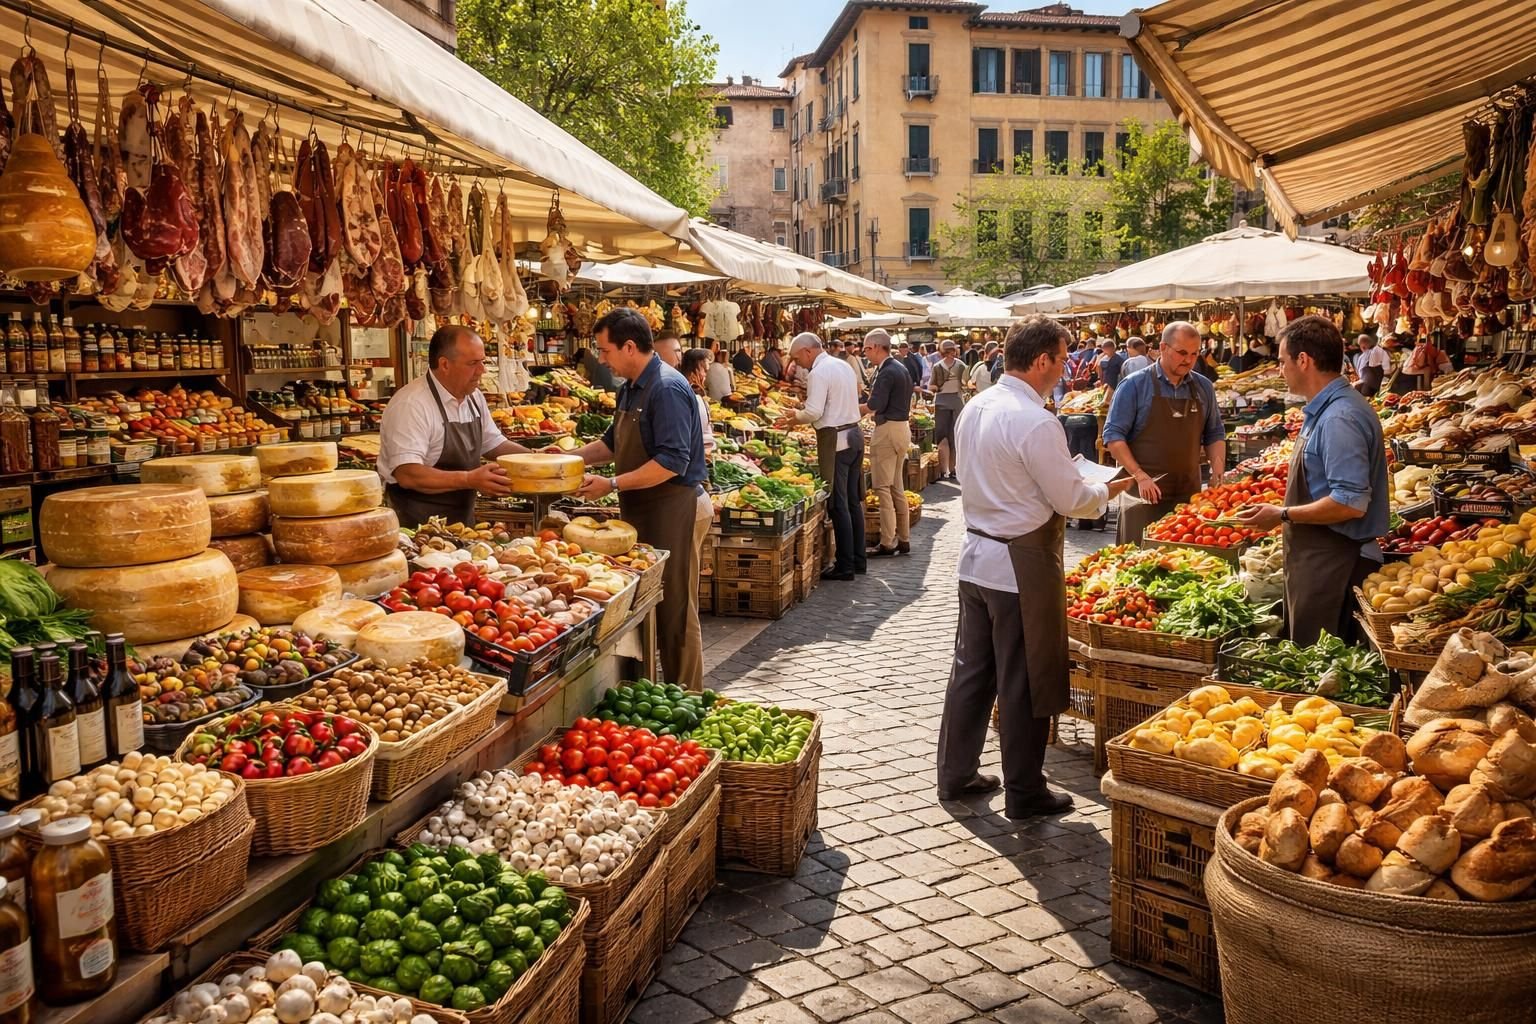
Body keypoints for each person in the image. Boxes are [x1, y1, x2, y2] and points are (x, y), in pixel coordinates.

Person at [938, 315, 1135, 817]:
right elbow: (1070, 498)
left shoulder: (976, 406)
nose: (1067, 366)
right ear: (1043, 360)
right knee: (1023, 678)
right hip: (1018, 566)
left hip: (976, 557)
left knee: (971, 672)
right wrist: (1106, 491)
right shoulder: (1036, 420)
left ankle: (955, 773)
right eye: (1064, 357)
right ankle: (1024, 791)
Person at [566, 309, 709, 689]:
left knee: (676, 610)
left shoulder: (667, 387)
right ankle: (655, 688)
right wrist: (567, 459)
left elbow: (671, 462)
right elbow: (612, 444)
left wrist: (611, 485)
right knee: (650, 605)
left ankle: (687, 696)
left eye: (604, 350)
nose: (601, 358)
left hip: (675, 505)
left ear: (629, 347)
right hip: (644, 506)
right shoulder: (630, 386)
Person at [1234, 316, 1389, 645]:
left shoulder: (1339, 418)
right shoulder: (1327, 410)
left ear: (1303, 360)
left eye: (1282, 362)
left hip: (1336, 565)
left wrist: (1282, 515)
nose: (1280, 371)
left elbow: (1350, 503)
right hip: (1319, 560)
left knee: (1324, 663)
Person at [378, 325, 535, 529]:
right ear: (444, 364)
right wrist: (469, 478)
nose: (482, 370)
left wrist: (536, 458)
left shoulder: (474, 397)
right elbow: (408, 474)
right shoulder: (411, 404)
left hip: (461, 525)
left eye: (483, 362)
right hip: (415, 528)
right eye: (473, 363)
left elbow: (492, 443)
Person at [1102, 321, 1227, 543]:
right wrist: (1139, 475)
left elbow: (1215, 433)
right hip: (1142, 496)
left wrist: (1217, 472)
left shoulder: (1204, 387)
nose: (1188, 360)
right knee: (1136, 563)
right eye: (1181, 353)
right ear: (1163, 348)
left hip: (1188, 496)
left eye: (1194, 354)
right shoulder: (1134, 385)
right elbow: (1113, 437)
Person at [779, 333, 864, 581]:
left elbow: (814, 412)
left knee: (838, 504)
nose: (799, 364)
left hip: (835, 439)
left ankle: (845, 566)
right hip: (854, 434)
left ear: (807, 351)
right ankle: (859, 561)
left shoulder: (818, 372)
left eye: (797, 357)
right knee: (851, 501)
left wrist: (795, 415)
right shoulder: (843, 365)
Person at [860, 329, 914, 557]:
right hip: (902, 429)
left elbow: (874, 405)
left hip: (888, 430)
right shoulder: (901, 368)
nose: (865, 354)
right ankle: (904, 538)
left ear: (875, 347)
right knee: (896, 488)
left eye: (865, 349)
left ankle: (887, 542)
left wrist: (850, 410)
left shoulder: (886, 372)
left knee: (882, 488)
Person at [930, 340, 966, 480]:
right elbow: (932, 385)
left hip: (952, 400)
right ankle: (947, 469)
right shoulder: (940, 366)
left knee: (951, 436)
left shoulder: (958, 366)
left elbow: (966, 382)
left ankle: (950, 469)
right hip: (945, 401)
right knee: (946, 436)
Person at [1352, 333, 1391, 398]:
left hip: (1374, 386)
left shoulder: (1368, 355)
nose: (1361, 348)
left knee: (1363, 391)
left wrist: (1357, 383)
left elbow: (1367, 377)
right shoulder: (1380, 351)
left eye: (1361, 346)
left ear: (1363, 346)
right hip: (1378, 384)